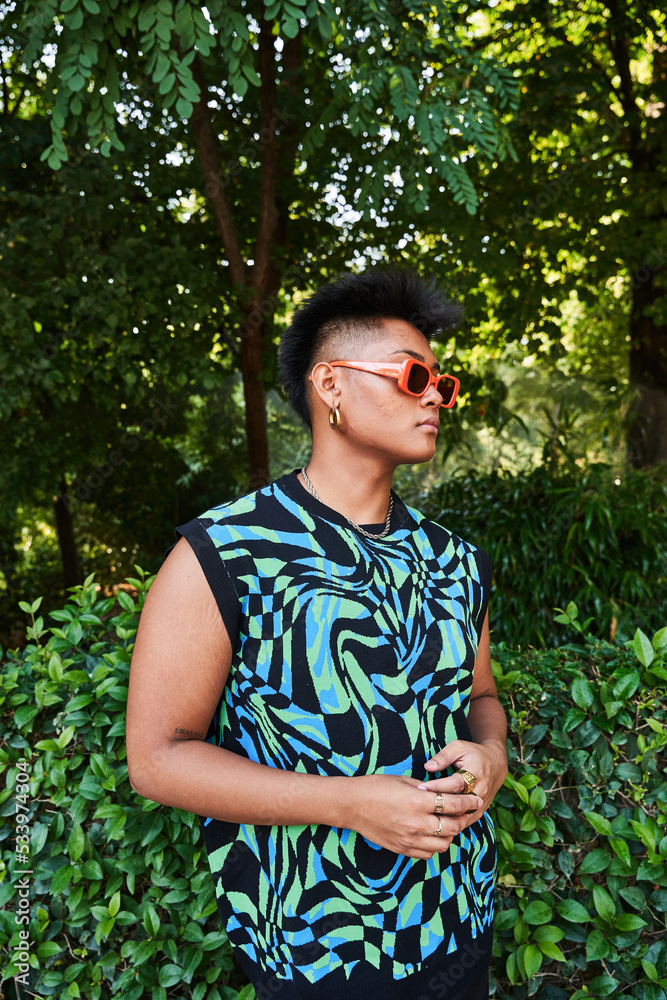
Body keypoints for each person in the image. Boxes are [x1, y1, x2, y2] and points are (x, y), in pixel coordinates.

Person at [126, 266, 508, 1000]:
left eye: (443, 384)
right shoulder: (224, 552)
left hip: (456, 913)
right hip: (313, 941)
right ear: (330, 384)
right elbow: (157, 759)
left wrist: (491, 755)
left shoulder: (457, 562)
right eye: (414, 376)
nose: (435, 395)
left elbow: (481, 698)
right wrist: (347, 804)